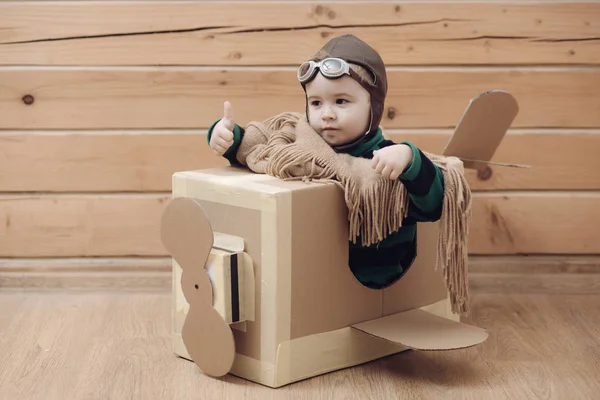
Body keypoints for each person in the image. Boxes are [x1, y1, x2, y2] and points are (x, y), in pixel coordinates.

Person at [206, 34, 444, 290]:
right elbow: (260, 150)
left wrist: (410, 159)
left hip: (375, 288)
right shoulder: (297, 150)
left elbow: (432, 207)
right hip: (315, 284)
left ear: (374, 106)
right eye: (316, 103)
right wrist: (230, 139)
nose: (327, 114)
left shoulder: (385, 158)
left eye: (341, 101)